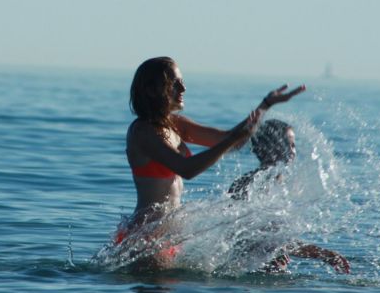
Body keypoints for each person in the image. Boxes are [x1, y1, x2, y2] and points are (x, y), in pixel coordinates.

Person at [120, 56, 305, 267]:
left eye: (182, 82)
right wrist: (233, 139)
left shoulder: (175, 124)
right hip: (145, 239)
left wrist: (265, 105)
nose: (183, 88)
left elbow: (231, 140)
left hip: (168, 238)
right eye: (174, 83)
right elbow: (187, 169)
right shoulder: (142, 132)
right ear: (152, 90)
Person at [228, 119, 351, 274]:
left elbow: (273, 240)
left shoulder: (283, 186)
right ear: (270, 147)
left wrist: (281, 250)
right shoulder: (250, 185)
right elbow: (246, 237)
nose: (292, 151)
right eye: (288, 144)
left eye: (293, 145)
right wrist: (323, 254)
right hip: (248, 271)